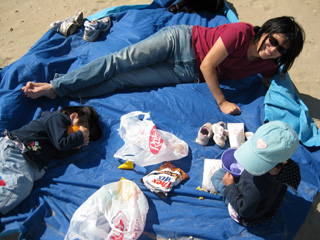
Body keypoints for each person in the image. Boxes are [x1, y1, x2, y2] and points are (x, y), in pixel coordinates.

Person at [22, 16, 304, 115]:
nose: (273, 50)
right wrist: (221, 102)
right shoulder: (241, 32)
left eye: (281, 49)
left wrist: (281, 94)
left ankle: (65, 92)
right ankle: (55, 85)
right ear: (264, 31)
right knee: (118, 62)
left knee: (125, 81)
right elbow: (209, 66)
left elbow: (276, 81)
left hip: (186, 72)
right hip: (180, 42)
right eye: (272, 41)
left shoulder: (270, 65)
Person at [0, 105, 102, 215]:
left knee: (35, 175)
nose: (79, 137)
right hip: (15, 149)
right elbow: (61, 144)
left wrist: (75, 146)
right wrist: (80, 136)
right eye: (79, 130)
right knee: (20, 184)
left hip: (28, 160)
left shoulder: (59, 136)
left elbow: (59, 154)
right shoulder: (58, 118)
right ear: (73, 116)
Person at [211, 121, 301, 226]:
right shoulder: (291, 168)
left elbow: (244, 210)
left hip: (249, 215)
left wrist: (230, 186)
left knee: (218, 176)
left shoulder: (255, 184)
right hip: (270, 205)